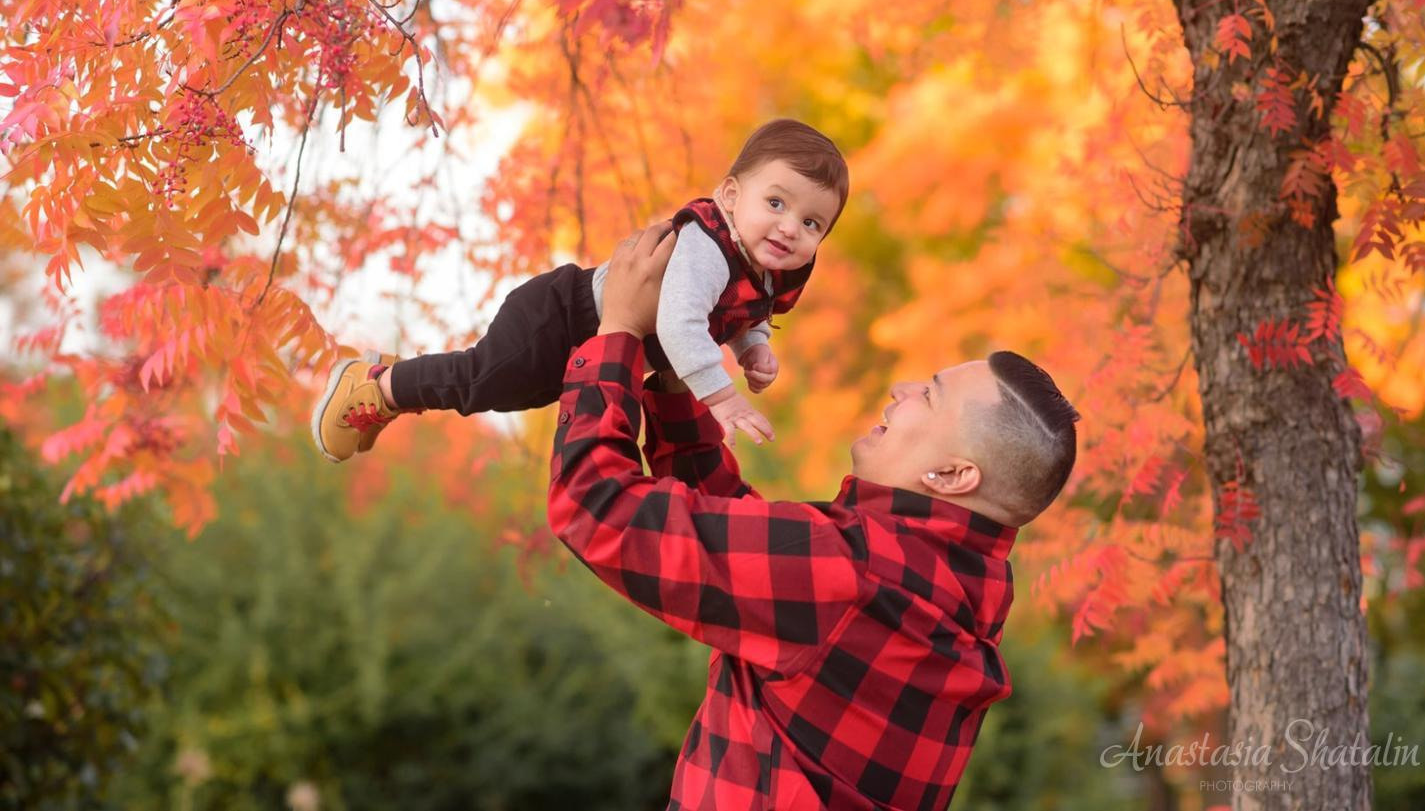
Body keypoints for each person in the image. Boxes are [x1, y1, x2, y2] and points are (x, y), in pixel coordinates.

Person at [549, 223, 1080, 811]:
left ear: (953, 476)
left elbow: (595, 507)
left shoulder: (853, 574)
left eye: (928, 396)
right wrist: (676, 377)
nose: (902, 388)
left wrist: (619, 331)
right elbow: (746, 544)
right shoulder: (951, 599)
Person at [311, 118, 848, 463]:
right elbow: (681, 324)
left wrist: (754, 345)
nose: (789, 228)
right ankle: (378, 386)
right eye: (775, 204)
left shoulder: (765, 269)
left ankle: (392, 381)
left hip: (602, 345)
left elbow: (742, 312)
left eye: (811, 223)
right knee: (484, 382)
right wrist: (722, 398)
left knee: (513, 397)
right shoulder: (710, 246)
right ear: (731, 195)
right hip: (562, 315)